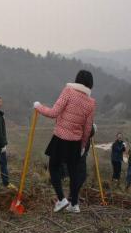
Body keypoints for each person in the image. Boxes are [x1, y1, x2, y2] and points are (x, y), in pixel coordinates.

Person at [34, 70, 96, 213]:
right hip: (75, 141)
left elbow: (53, 113)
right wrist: (82, 145)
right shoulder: (91, 102)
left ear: (77, 80)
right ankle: (74, 204)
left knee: (54, 167)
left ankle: (62, 199)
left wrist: (38, 106)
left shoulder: (68, 91)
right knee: (74, 173)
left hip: (60, 138)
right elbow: (87, 128)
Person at [67, 124, 96, 213]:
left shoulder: (87, 137)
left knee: (80, 178)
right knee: (79, 177)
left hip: (81, 158)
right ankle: (73, 202)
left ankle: (72, 198)